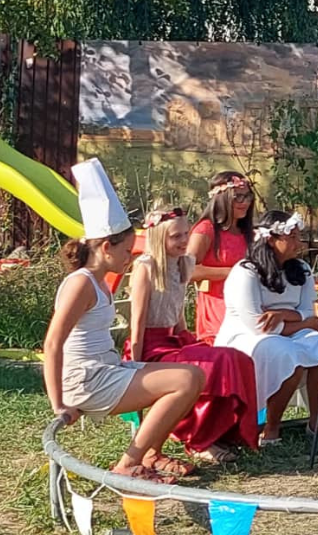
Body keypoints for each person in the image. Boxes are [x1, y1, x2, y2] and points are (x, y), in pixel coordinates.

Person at [43, 160, 205, 484]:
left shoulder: (99, 282)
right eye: (127, 251)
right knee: (186, 381)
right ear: (106, 248)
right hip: (87, 380)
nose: (130, 258)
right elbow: (52, 343)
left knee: (194, 375)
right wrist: (58, 403)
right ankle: (129, 464)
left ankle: (150, 453)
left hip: (106, 368)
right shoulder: (81, 283)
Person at [124, 206, 260, 463]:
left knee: (236, 358)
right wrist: (135, 365)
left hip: (173, 340)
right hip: (150, 347)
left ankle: (225, 432)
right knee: (211, 365)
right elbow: (137, 323)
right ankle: (198, 440)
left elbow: (176, 316)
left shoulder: (183, 263)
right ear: (159, 238)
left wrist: (189, 340)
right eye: (176, 236)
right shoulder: (146, 267)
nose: (185, 240)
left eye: (186, 233)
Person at [214, 210, 318, 446]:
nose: (299, 243)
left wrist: (285, 315)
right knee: (287, 355)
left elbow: (310, 310)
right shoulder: (245, 272)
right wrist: (305, 322)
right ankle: (271, 426)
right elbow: (258, 325)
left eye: (299, 237)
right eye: (292, 237)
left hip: (289, 330)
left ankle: (316, 421)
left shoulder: (301, 269)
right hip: (245, 337)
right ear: (271, 240)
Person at [186, 171, 255, 343]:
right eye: (237, 197)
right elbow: (187, 270)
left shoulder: (248, 232)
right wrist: (234, 272)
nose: (245, 202)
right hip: (218, 308)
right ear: (221, 198)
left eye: (247, 196)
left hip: (249, 302)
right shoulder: (206, 229)